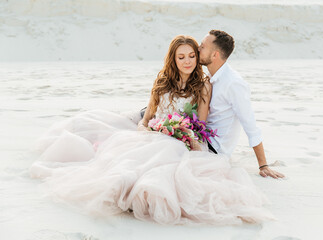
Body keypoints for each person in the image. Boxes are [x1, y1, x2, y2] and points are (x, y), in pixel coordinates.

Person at [30, 35, 273, 225]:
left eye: (193, 53)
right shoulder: (161, 83)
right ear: (173, 59)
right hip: (155, 132)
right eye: (182, 57)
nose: (189, 59)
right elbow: (146, 118)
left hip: (179, 138)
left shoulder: (206, 85)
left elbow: (201, 124)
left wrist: (180, 132)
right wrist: (146, 128)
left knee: (155, 168)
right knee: (123, 161)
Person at [198, 30, 285, 179]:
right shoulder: (211, 77)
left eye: (202, 46)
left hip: (213, 150)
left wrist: (263, 165)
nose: (198, 48)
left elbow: (250, 125)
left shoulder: (233, 83)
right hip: (202, 140)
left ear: (215, 55)